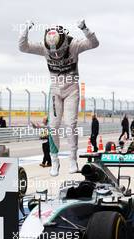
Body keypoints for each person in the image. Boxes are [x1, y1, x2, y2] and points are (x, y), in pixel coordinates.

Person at [19, 20, 99, 176]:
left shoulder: (74, 44)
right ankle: (54, 161)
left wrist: (85, 28)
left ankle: (72, 160)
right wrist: (25, 29)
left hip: (71, 89)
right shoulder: (43, 47)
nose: (56, 55)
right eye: (52, 53)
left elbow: (94, 43)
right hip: (55, 90)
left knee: (71, 124)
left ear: (64, 42)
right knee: (53, 126)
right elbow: (23, 47)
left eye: (59, 51)